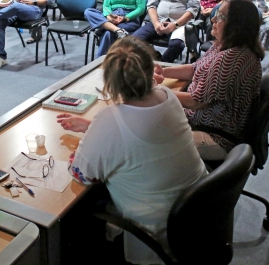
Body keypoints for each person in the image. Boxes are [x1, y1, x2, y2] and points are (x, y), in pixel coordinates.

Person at [57, 37, 207, 265]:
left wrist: (91, 137)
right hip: (196, 210)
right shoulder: (169, 98)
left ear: (110, 82)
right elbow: (147, 138)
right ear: (151, 69)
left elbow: (81, 173)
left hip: (157, 227)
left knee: (75, 213)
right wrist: (93, 128)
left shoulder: (111, 119)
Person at [154, 0, 263, 161]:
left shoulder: (232, 59)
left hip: (216, 136)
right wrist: (164, 71)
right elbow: (194, 68)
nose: (213, 19)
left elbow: (196, 102)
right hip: (200, 122)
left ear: (236, 25)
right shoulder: (223, 45)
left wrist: (155, 91)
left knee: (149, 138)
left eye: (220, 16)